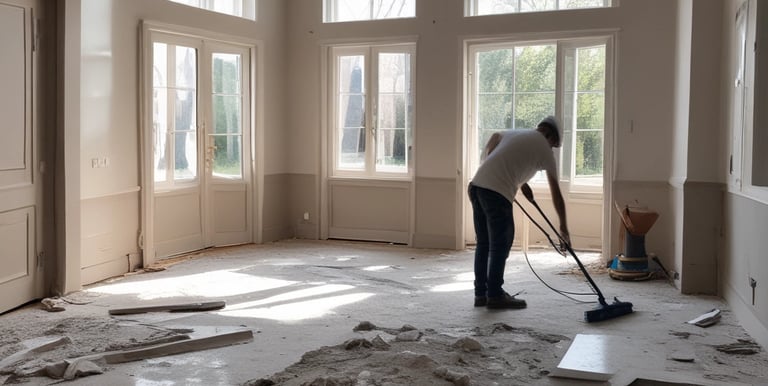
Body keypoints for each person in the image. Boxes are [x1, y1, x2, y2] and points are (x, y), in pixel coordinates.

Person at [468, 115, 570, 309]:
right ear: (550, 136)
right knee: (500, 244)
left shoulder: (515, 133)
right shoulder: (544, 148)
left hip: (476, 186)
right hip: (495, 194)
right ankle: (495, 295)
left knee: (484, 244)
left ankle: (481, 294)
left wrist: (520, 183)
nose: (551, 150)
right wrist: (564, 229)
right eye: (553, 145)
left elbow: (495, 146)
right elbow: (556, 194)